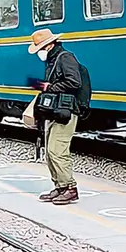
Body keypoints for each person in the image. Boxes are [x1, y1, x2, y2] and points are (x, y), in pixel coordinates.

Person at [28, 28, 83, 205]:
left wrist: (48, 87)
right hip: (55, 111)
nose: (39, 53)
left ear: (49, 45)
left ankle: (70, 188)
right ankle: (60, 186)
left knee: (57, 150)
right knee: (50, 152)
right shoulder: (53, 60)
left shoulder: (65, 57)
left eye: (41, 49)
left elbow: (74, 82)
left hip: (65, 112)